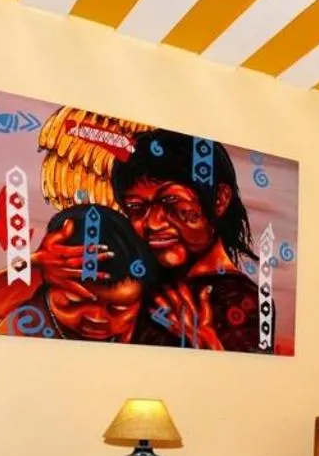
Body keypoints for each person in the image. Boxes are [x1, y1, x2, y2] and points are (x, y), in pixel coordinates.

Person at [109, 131, 265, 352]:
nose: (153, 223)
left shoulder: (244, 300)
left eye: (171, 200)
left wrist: (209, 347)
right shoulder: (138, 286)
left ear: (219, 199)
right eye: (136, 207)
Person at [0, 204, 159, 344]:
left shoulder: (150, 324)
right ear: (45, 282)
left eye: (118, 309)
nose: (96, 319)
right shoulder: (26, 323)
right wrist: (36, 263)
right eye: (74, 302)